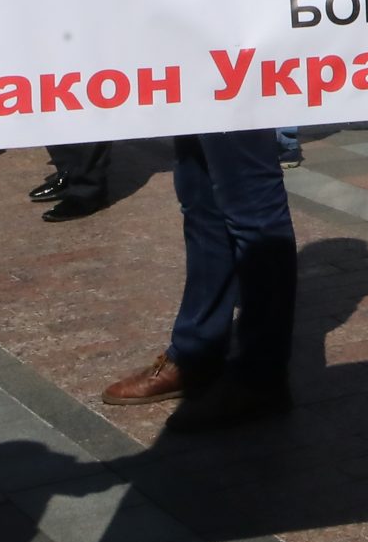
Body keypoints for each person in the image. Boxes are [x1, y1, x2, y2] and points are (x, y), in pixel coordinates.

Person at [98, 129, 300, 427]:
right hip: (197, 86)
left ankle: (261, 376)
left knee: (253, 205)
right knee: (199, 199)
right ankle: (197, 354)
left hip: (235, 87)